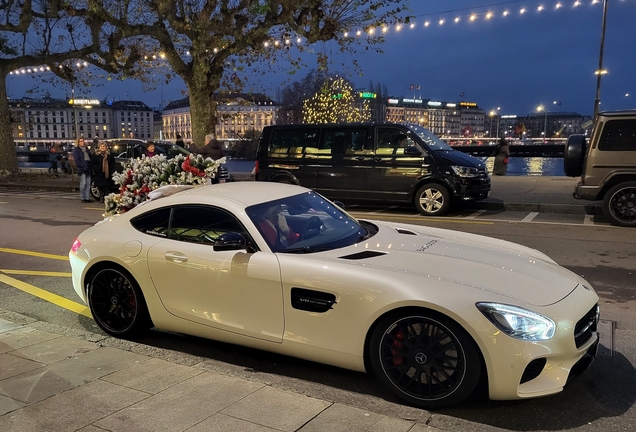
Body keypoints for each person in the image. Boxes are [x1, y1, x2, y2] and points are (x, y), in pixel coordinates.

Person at [72, 137, 93, 203]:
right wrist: (83, 165)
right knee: (83, 183)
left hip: (88, 167)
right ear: (78, 143)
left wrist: (89, 165)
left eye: (83, 141)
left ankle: (87, 197)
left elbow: (90, 157)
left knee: (88, 184)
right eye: (80, 141)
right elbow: (76, 160)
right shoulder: (76, 150)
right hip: (82, 168)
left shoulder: (86, 149)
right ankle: (82, 197)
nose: (82, 142)